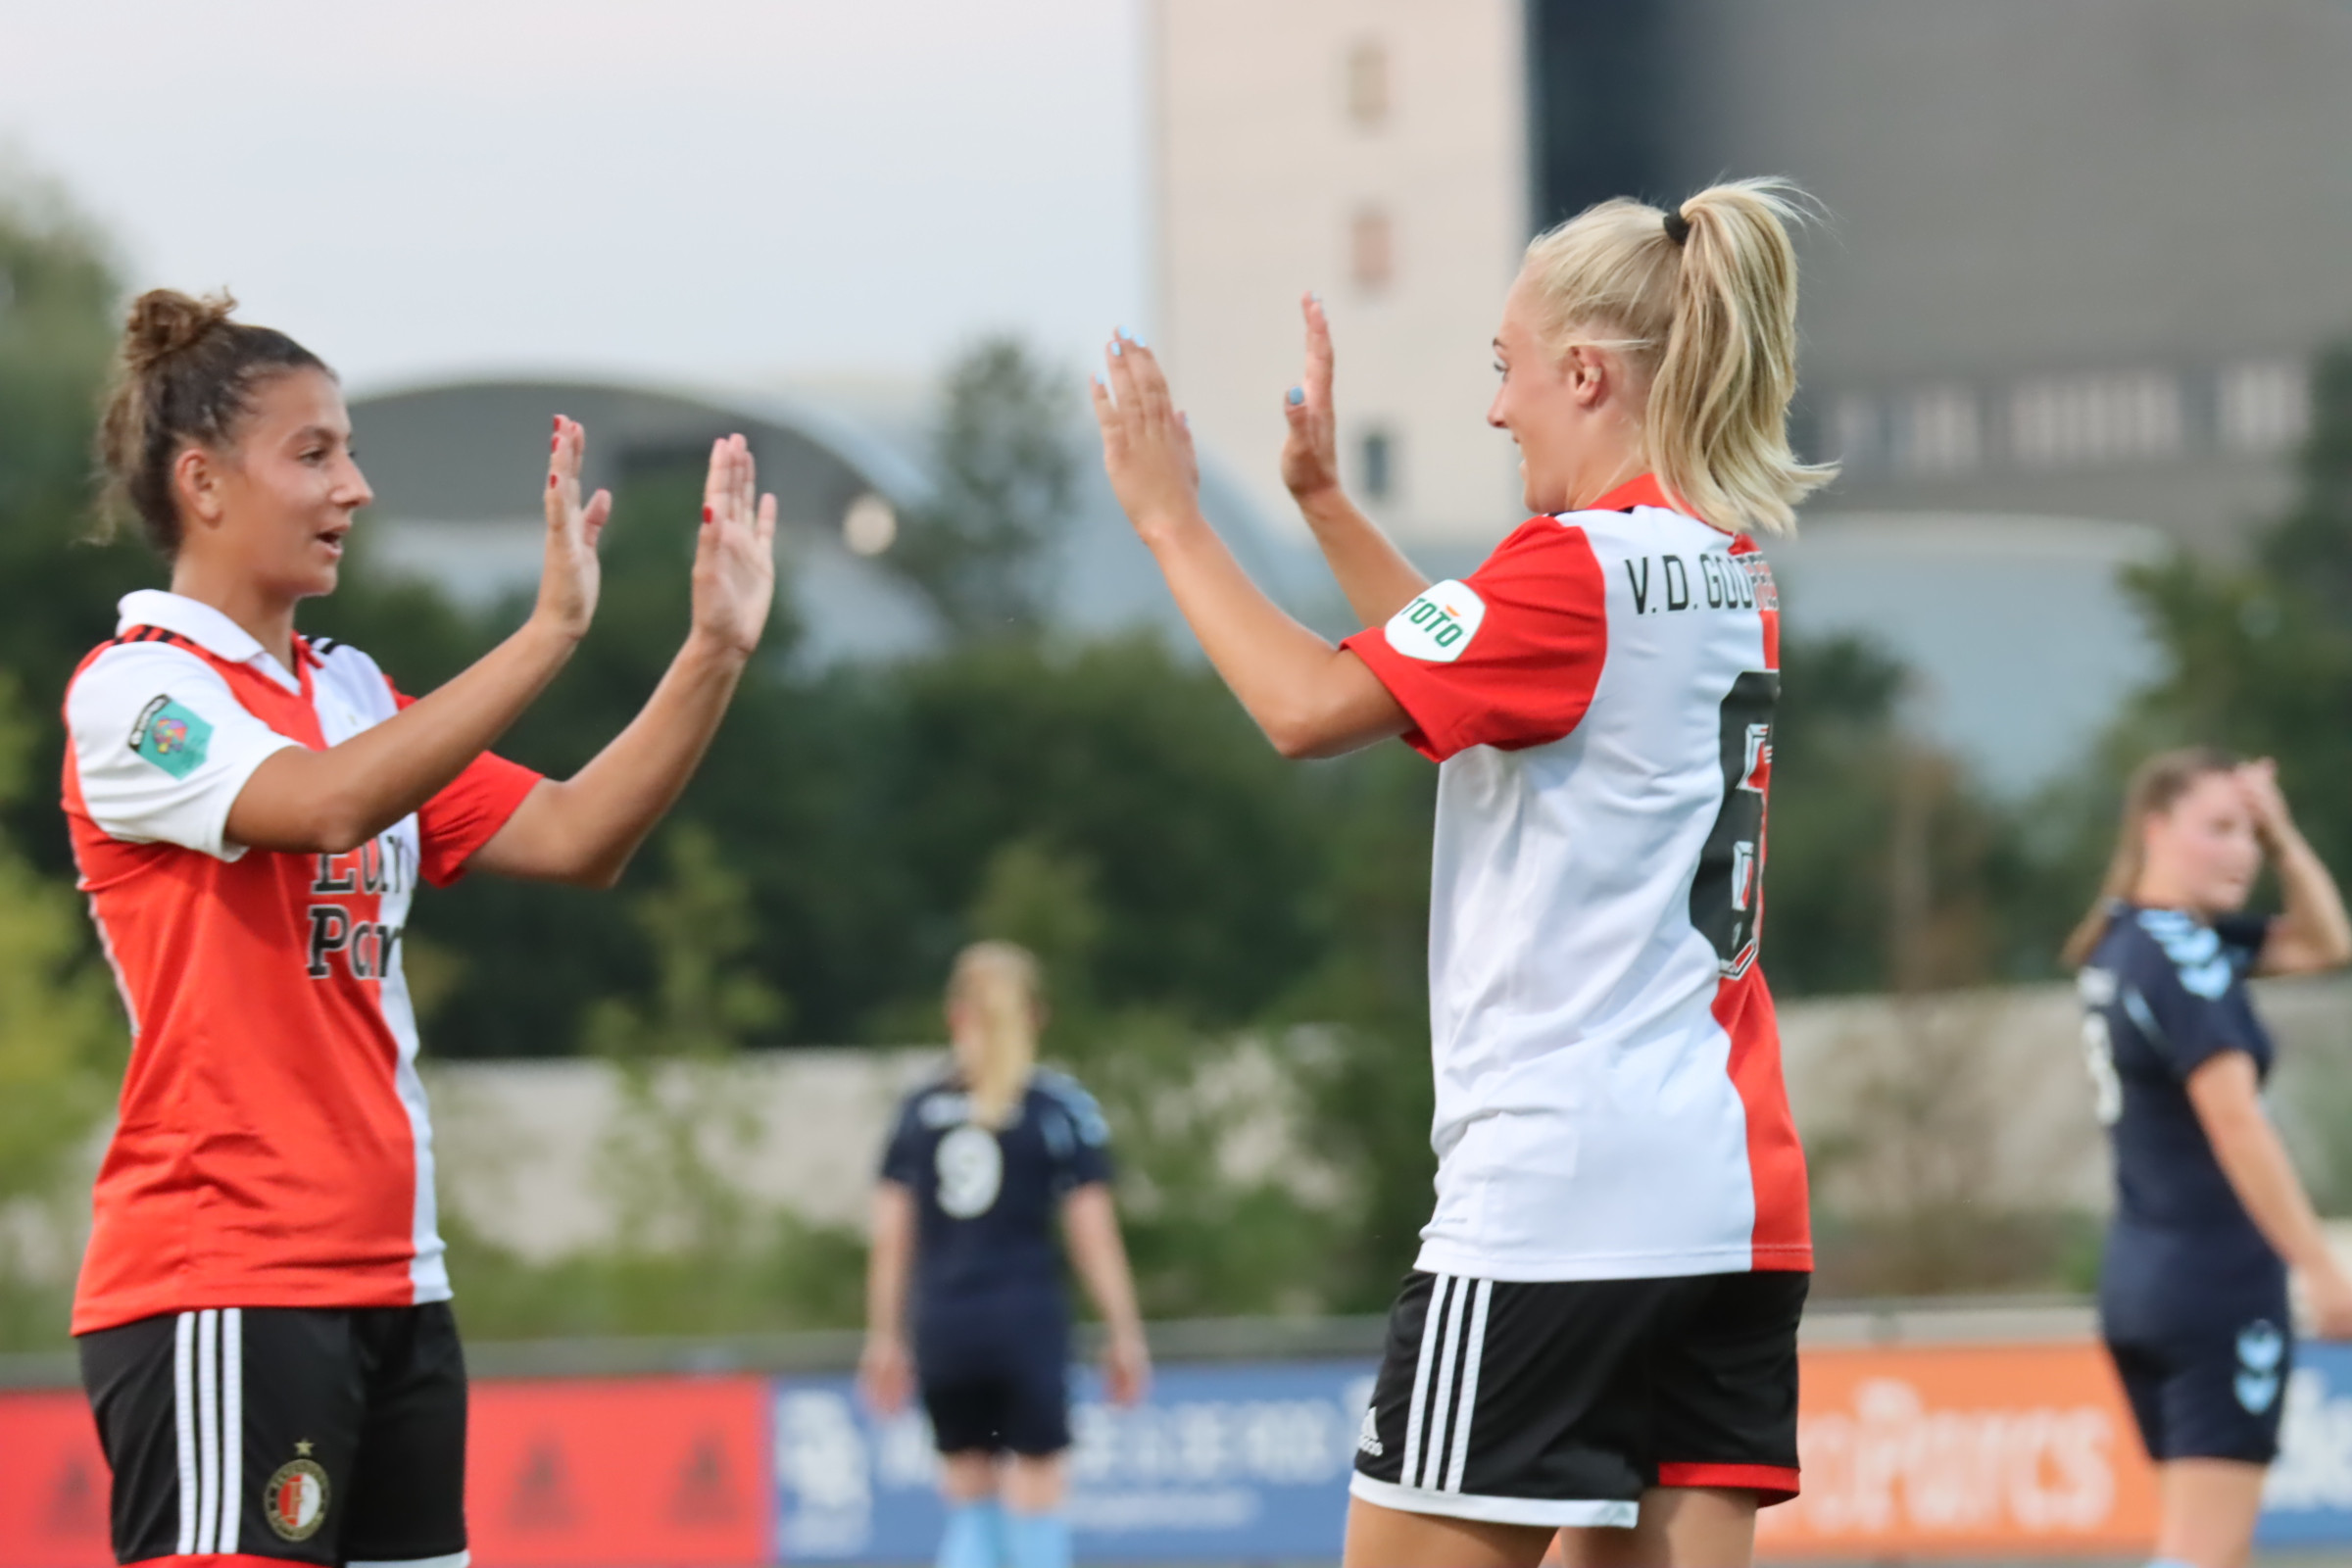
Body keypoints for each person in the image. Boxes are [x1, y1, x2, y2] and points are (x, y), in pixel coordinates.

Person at [1089, 180, 1834, 1567]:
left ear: (1588, 374)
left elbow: (1308, 709)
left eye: (1507, 369)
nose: (1498, 409)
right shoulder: (1728, 570)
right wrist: (1322, 504)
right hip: (1731, 1198)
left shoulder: (1571, 573)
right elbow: (1473, 663)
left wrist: (1171, 520)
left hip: (1563, 1194)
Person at [65, 290, 777, 1567]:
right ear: (203, 485)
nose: (357, 487)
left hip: (397, 1279)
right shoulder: (139, 693)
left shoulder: (347, 688)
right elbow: (328, 807)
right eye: (316, 453)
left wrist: (712, 653)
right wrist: (551, 629)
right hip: (228, 1277)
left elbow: (574, 837)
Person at [2066, 749, 2352, 1568]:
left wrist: (2283, 832)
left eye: (2250, 832)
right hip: (2216, 1284)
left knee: (2206, 1549)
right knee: (2202, 1556)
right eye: (2220, 828)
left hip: (2143, 1281)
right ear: (2156, 830)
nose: (2244, 851)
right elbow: (2236, 1125)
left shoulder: (2132, 943)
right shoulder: (2185, 961)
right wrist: (2320, 1266)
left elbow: (2326, 942)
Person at [858, 942, 1151, 1568]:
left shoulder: (917, 1113)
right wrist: (1125, 1332)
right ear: (1037, 1016)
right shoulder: (1058, 1109)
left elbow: (890, 1239)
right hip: (1025, 1322)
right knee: (1038, 1500)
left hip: (944, 1325)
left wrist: (884, 1337)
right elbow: (1092, 1233)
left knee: (971, 1504)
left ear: (955, 1014)